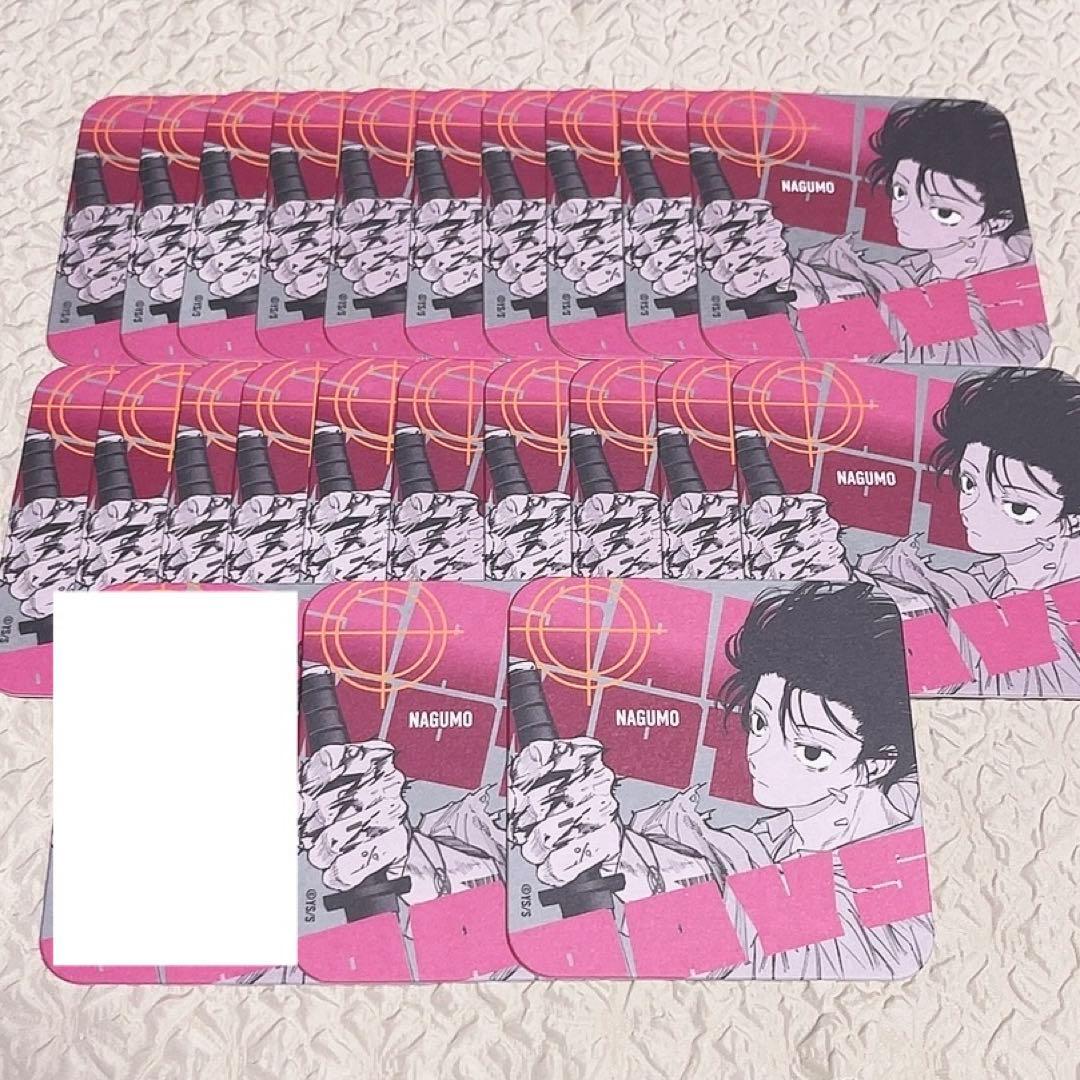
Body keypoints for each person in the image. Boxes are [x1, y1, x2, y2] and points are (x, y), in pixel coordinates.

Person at [507, 581, 933, 979]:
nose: (761, 755)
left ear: (876, 764)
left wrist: (631, 861)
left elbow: (793, 947)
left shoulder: (908, 862)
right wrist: (614, 848)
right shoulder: (772, 840)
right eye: (760, 723)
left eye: (810, 751)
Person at [743, 368, 1080, 695]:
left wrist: (845, 584)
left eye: (1016, 507)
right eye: (969, 483)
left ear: (1074, 519)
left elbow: (967, 678)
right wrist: (836, 571)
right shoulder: (999, 574)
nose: (974, 509)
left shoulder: (1066, 612)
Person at [697, 99, 1048, 364]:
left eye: (942, 211)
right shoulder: (925, 267)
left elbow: (909, 342)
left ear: (996, 222)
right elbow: (878, 290)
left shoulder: (1025, 299)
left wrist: (803, 287)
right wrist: (782, 269)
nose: (904, 213)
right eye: (900, 192)